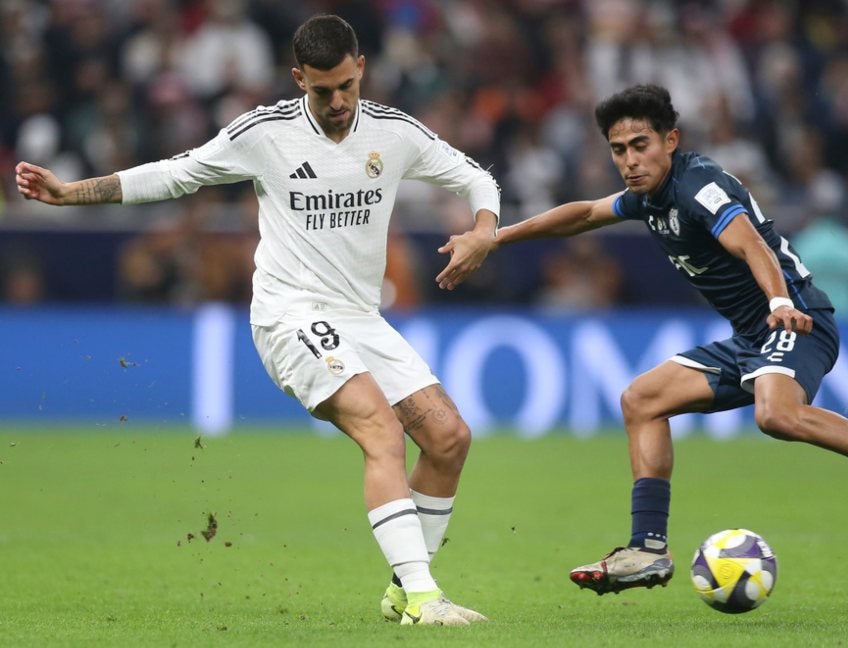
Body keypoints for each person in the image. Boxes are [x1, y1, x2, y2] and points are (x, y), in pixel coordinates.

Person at [15, 14, 499, 626]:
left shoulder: (393, 132)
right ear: (299, 79)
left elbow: (476, 177)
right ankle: (426, 600)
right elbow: (176, 173)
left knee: (449, 438)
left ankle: (406, 590)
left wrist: (484, 232)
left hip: (360, 317)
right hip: (289, 313)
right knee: (381, 431)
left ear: (361, 69)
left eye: (346, 86)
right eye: (322, 90)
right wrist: (72, 192)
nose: (337, 102)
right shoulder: (265, 134)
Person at [488, 84, 848, 596]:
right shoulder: (648, 197)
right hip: (752, 338)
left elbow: (749, 243)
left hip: (797, 320)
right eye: (619, 150)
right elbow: (585, 214)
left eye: (641, 145)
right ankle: (648, 549)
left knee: (776, 415)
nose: (630, 160)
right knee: (642, 399)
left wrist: (779, 302)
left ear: (670, 140)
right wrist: (495, 238)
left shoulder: (697, 185)